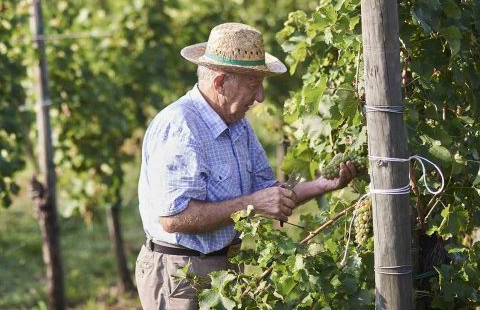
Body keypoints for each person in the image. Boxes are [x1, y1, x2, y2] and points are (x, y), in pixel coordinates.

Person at [136, 22, 356, 310]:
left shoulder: (238, 125)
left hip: (226, 268)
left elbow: (267, 194)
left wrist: (322, 185)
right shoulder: (180, 127)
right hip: (181, 275)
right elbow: (173, 218)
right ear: (220, 83)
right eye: (253, 84)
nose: (261, 96)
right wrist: (250, 204)